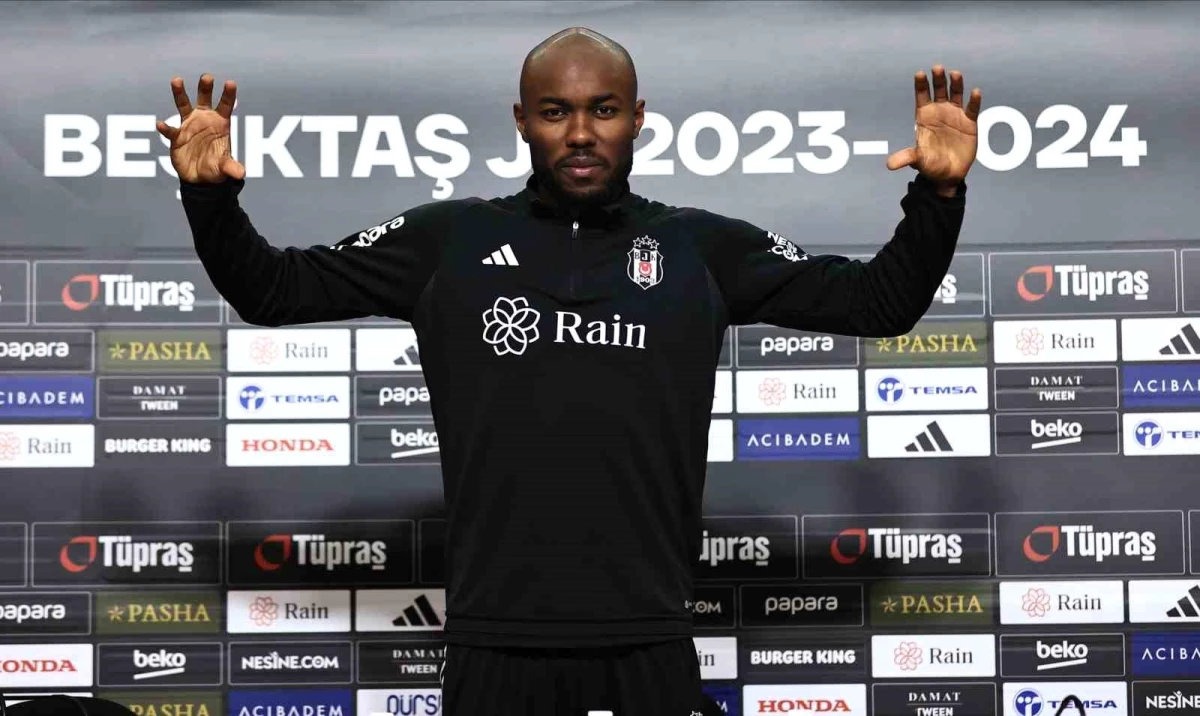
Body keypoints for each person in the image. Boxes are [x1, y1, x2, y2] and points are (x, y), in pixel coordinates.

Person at [160, 26, 981, 716]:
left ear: (638, 119)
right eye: (556, 112)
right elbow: (273, 290)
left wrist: (937, 199)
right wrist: (210, 202)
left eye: (603, 110)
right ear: (523, 121)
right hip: (493, 642)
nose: (580, 133)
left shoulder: (700, 246)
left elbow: (878, 303)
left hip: (650, 638)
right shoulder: (449, 240)